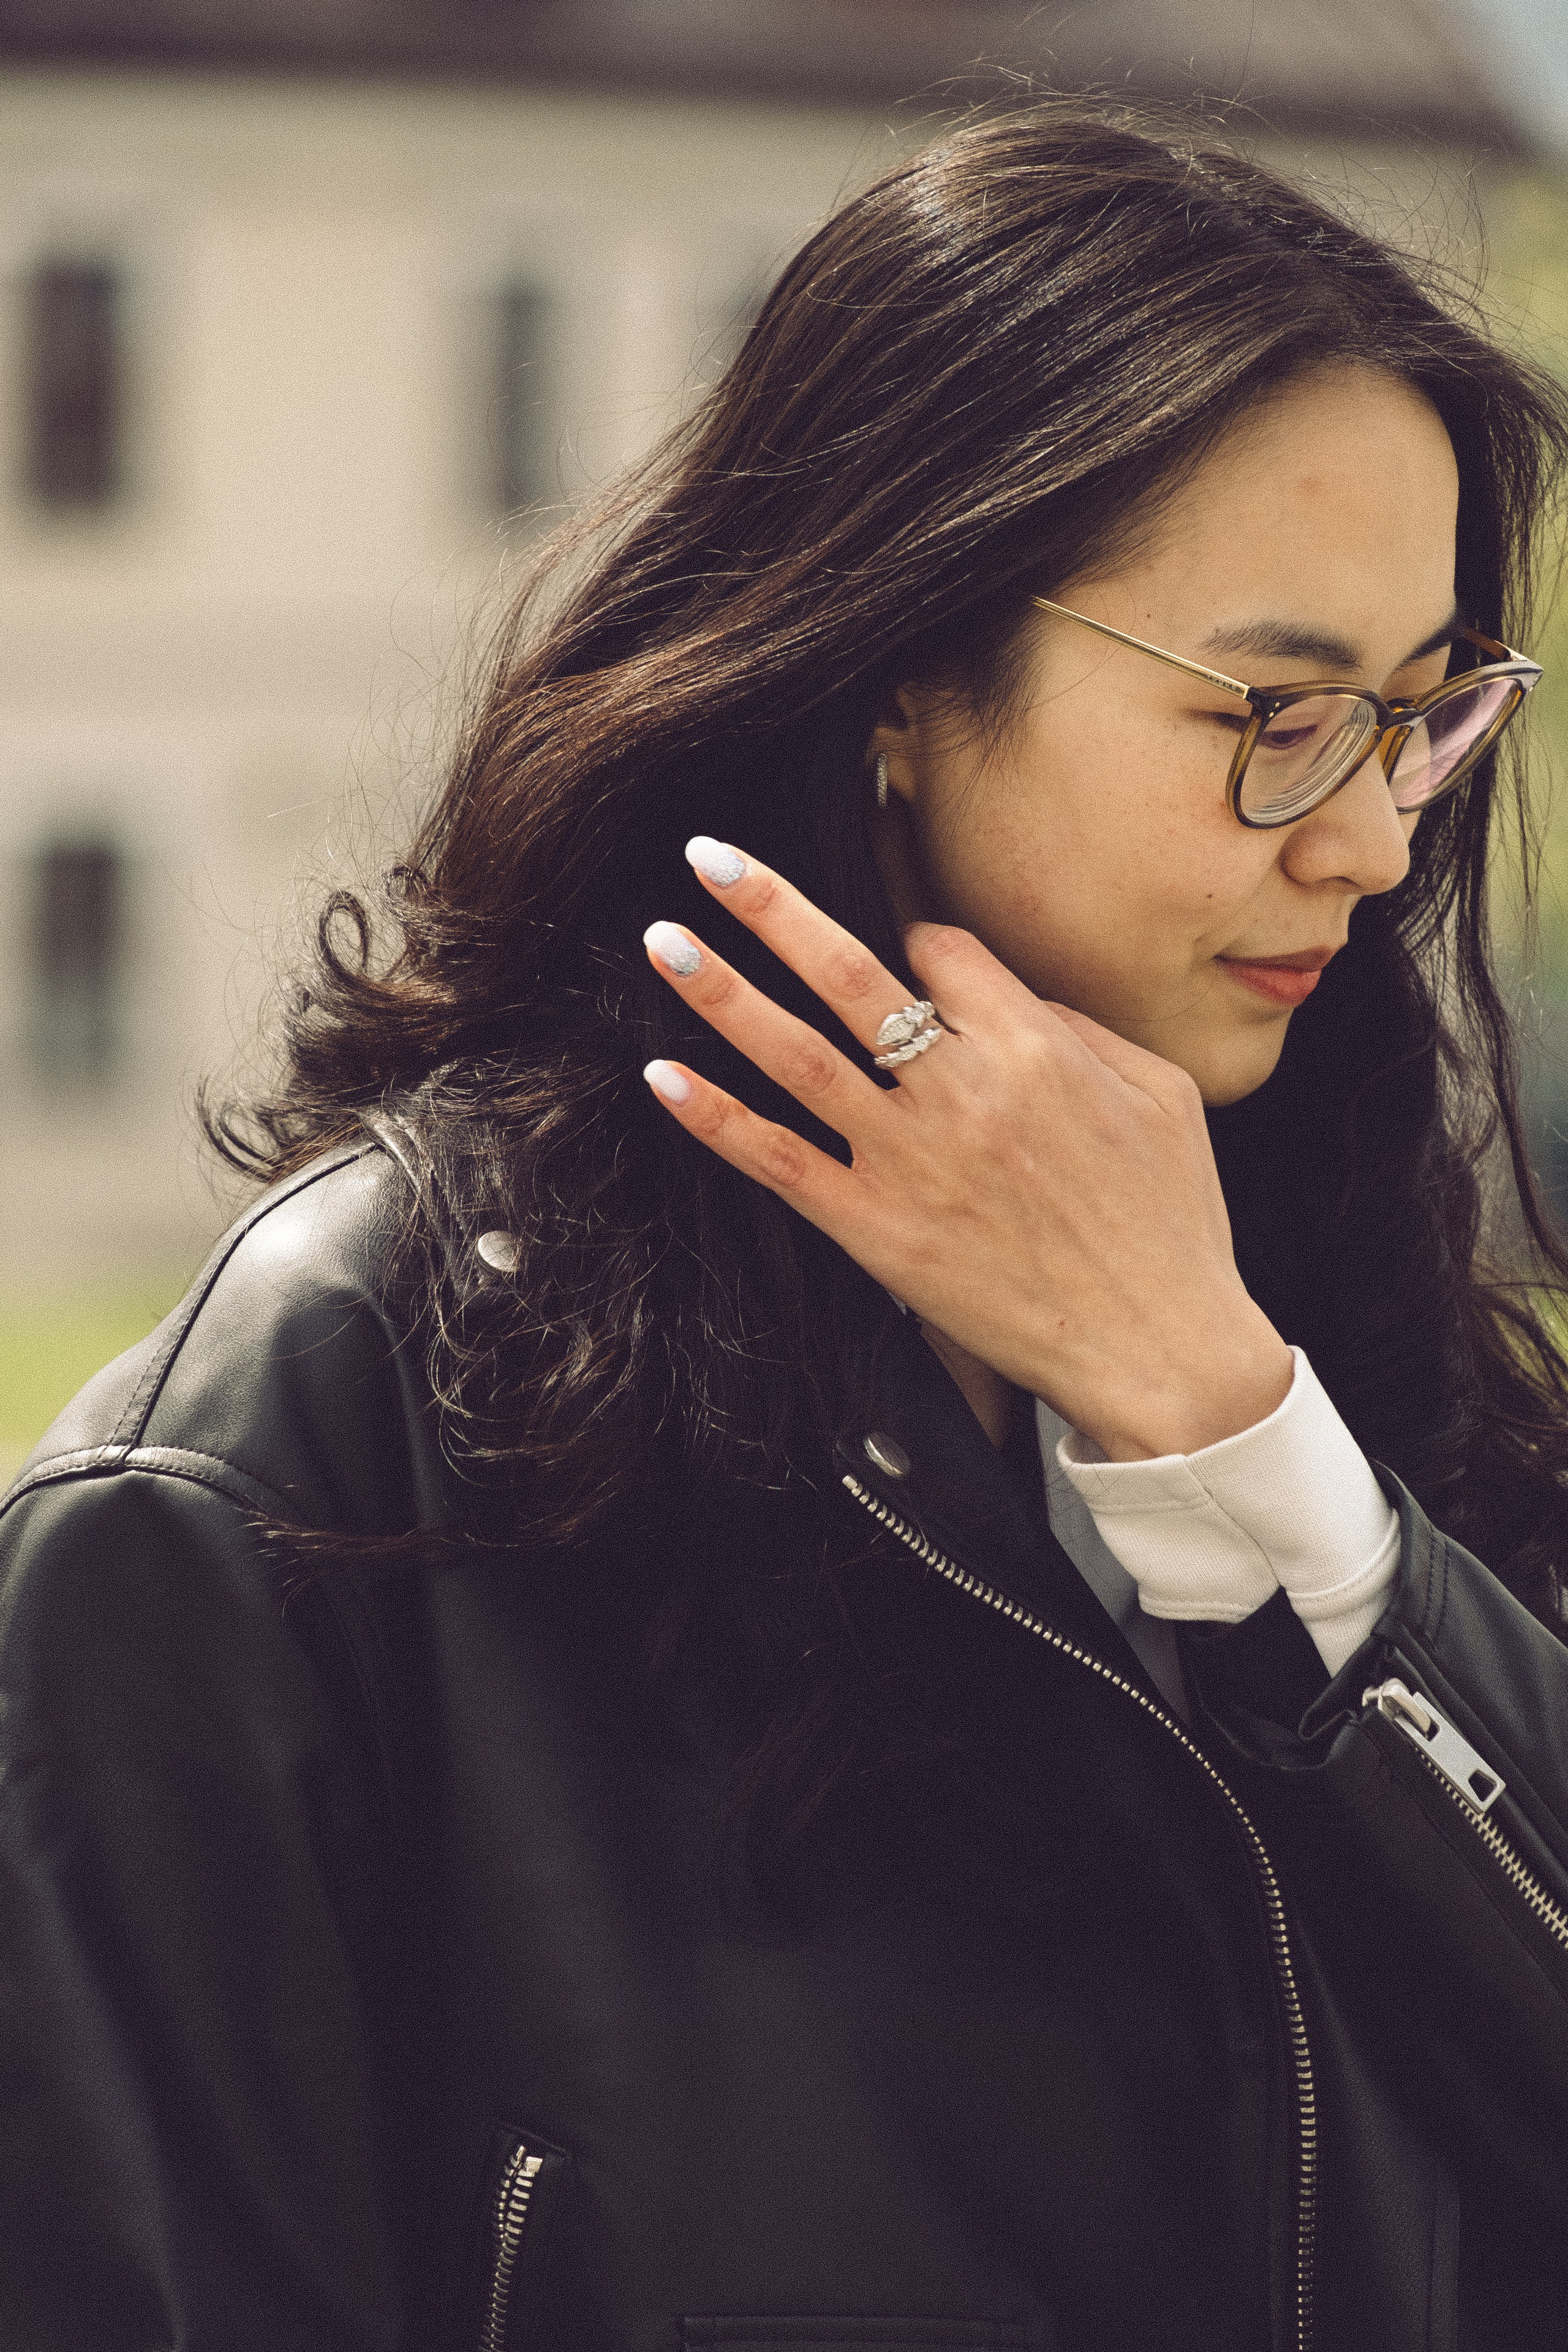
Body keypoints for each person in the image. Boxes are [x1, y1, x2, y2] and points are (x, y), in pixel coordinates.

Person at [4, 100, 1568, 2352]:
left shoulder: (1349, 1324)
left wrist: (1236, 1439)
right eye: (1282, 714)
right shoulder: (303, 1462)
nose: (1374, 843)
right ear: (902, 673)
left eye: (1420, 719)